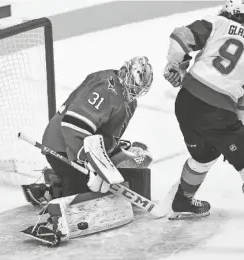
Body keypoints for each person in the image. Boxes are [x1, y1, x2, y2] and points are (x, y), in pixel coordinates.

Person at [21, 56, 154, 246]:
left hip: (84, 146)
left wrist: (121, 155)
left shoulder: (130, 102)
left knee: (100, 187)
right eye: (133, 85)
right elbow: (73, 126)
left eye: (139, 89)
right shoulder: (104, 87)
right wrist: (87, 162)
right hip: (61, 144)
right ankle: (49, 211)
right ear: (124, 73)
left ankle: (52, 186)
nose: (134, 92)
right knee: (84, 197)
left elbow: (107, 138)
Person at [164, 0, 244, 220]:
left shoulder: (216, 23)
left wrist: (176, 66)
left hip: (186, 102)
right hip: (217, 111)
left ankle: (182, 201)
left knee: (204, 155)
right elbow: (242, 100)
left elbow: (179, 38)